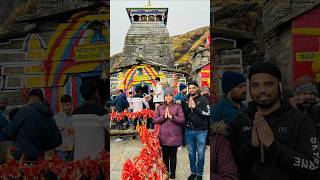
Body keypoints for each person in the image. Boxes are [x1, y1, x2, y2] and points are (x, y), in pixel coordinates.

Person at [228, 62, 319, 180]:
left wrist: (273, 145)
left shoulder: (300, 120)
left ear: (279, 86)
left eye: (268, 84)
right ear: (249, 88)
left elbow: (312, 166)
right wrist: (251, 146)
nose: (262, 90)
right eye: (255, 85)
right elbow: (229, 166)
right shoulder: (239, 121)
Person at [0, 89, 62, 161]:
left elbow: (9, 132)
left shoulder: (25, 111)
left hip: (20, 158)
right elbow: (58, 140)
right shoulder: (49, 116)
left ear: (31, 99)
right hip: (38, 159)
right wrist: (42, 147)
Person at [154, 87, 185, 179]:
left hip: (174, 136)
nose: (168, 97)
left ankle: (173, 174)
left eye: (170, 95)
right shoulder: (160, 107)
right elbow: (155, 120)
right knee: (165, 156)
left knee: (173, 156)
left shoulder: (177, 106)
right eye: (166, 95)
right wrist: (164, 117)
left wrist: (172, 117)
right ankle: (166, 173)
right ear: (164, 97)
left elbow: (182, 120)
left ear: (172, 96)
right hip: (163, 136)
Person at [181, 81, 210, 180]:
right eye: (190, 88)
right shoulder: (185, 99)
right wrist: (188, 108)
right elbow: (183, 114)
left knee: (201, 153)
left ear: (197, 88)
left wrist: (195, 107)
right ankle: (193, 172)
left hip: (201, 131)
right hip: (188, 131)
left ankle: (200, 174)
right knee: (191, 153)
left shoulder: (204, 99)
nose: (192, 90)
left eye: (194, 88)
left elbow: (207, 114)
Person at [54, 95, 74, 161]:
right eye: (63, 105)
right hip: (60, 151)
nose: (65, 107)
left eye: (67, 105)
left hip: (73, 150)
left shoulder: (76, 116)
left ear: (71, 103)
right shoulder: (56, 117)